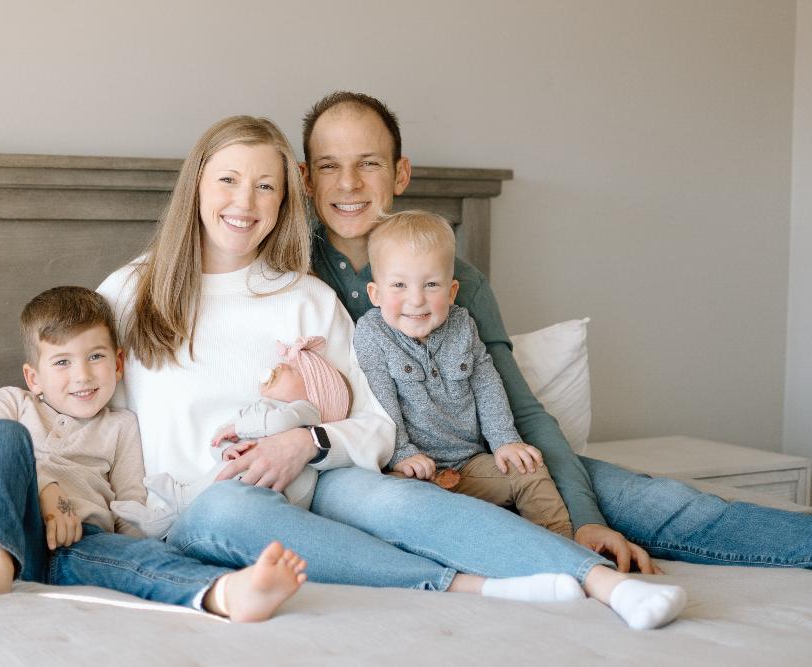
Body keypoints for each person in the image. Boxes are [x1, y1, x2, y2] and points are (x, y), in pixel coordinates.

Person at [98, 114, 688, 630]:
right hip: (195, 509)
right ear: (196, 183)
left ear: (285, 201)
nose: (244, 201)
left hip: (317, 482)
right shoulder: (129, 294)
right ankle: (469, 585)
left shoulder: (304, 297)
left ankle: (603, 583)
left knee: (394, 500)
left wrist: (303, 442)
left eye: (266, 186)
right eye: (227, 179)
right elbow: (78, 419)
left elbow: (377, 422)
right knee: (230, 507)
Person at [301, 90, 812, 570]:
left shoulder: (461, 284)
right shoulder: (289, 277)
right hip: (381, 480)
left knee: (654, 500)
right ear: (306, 179)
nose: (348, 184)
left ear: (400, 172)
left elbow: (520, 408)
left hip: (485, 462)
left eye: (369, 163)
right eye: (329, 166)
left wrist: (585, 517)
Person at [0, 285, 307, 622]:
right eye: (62, 362)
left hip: (81, 544)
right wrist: (48, 491)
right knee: (0, 433)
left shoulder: (121, 425)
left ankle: (227, 593)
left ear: (118, 363)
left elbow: (129, 505)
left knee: (146, 557)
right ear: (33, 378)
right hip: (12, 531)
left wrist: (136, 548)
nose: (82, 375)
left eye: (96, 357)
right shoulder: (13, 402)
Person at [354, 210, 572, 538]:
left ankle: (563, 550)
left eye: (431, 285)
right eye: (399, 284)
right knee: (393, 503)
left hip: (470, 464)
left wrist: (505, 441)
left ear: (452, 291)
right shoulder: (372, 332)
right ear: (376, 293)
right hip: (410, 470)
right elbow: (377, 397)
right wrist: (401, 452)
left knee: (530, 470)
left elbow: (486, 382)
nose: (416, 299)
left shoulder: (462, 324)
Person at [210, 335, 351, 509]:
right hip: (228, 483)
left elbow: (279, 422)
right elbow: (218, 437)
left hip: (268, 498)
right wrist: (225, 451)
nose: (281, 364)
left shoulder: (307, 411)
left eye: (294, 371)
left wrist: (238, 428)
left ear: (313, 394)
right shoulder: (257, 408)